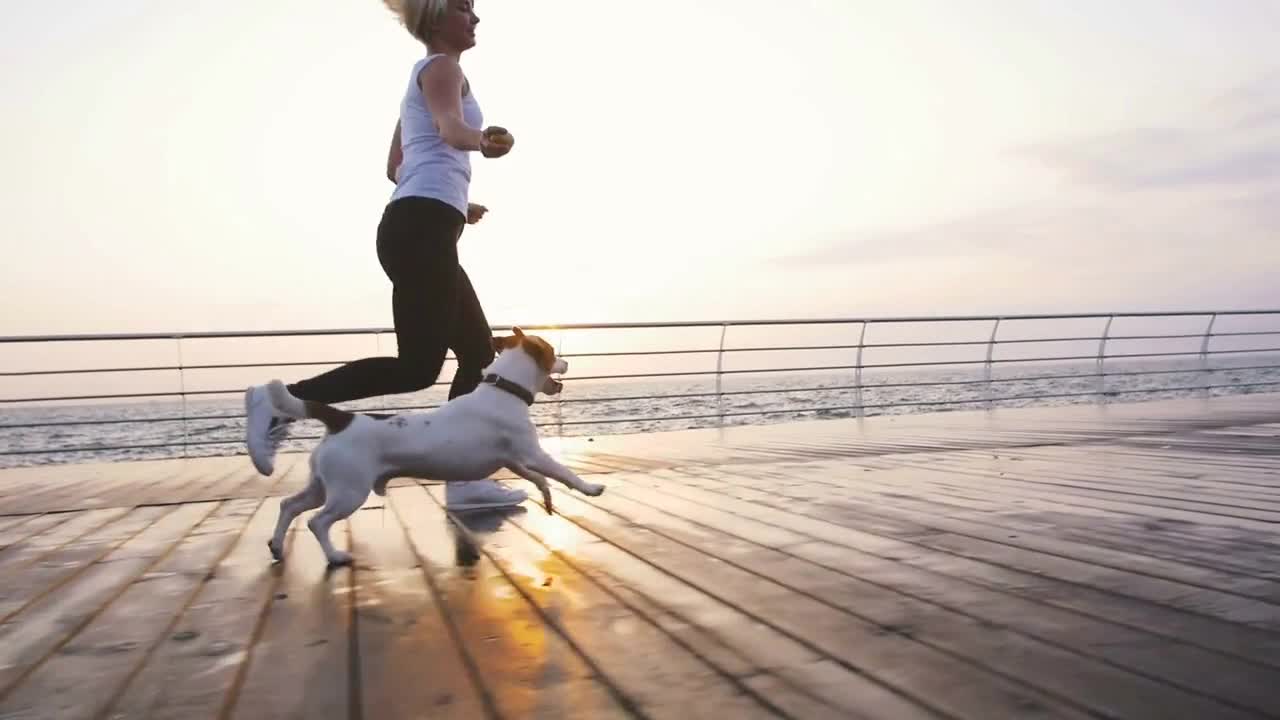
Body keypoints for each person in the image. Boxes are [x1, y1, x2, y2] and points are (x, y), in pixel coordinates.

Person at [243, 0, 527, 510]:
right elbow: (448, 130)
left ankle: (464, 481)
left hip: (423, 225)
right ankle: (281, 400)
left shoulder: (422, 77)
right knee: (417, 368)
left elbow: (398, 163)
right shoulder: (443, 68)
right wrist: (482, 141)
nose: (476, 17)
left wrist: (461, 200)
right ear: (438, 19)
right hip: (419, 229)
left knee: (478, 354)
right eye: (465, 9)